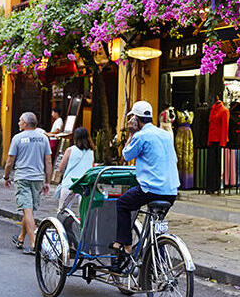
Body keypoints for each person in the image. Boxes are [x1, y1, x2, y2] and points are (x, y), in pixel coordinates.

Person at [111, 101, 180, 269]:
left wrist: (131, 134)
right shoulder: (165, 135)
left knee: (123, 204)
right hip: (171, 191)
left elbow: (126, 155)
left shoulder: (141, 136)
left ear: (136, 118)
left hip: (151, 190)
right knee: (157, 228)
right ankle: (159, 261)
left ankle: (125, 245)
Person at [3, 112, 51, 255]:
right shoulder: (43, 138)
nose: (18, 123)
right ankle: (21, 238)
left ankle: (34, 242)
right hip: (37, 178)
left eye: (19, 121)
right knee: (28, 209)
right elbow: (48, 161)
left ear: (25, 123)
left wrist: (6, 176)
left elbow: (10, 160)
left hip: (23, 177)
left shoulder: (17, 138)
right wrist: (47, 181)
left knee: (27, 210)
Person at [55, 127, 94, 208]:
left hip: (69, 184)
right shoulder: (91, 152)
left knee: (63, 211)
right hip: (84, 185)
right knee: (84, 214)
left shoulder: (70, 150)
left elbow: (60, 168)